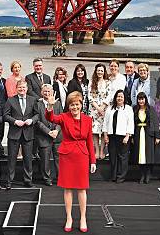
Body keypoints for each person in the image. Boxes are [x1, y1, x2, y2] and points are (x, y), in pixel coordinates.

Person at [44, 91, 96, 233]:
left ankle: (83, 218)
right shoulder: (64, 117)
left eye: (77, 104)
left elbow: (90, 141)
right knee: (67, 188)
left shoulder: (87, 119)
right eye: (72, 105)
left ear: (81, 105)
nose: (74, 107)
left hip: (82, 156)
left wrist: (93, 161)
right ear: (69, 106)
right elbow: (51, 118)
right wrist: (49, 106)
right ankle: (69, 218)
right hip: (67, 156)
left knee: (81, 188)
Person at [4, 79, 39, 189]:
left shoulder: (33, 100)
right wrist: (14, 121)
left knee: (28, 159)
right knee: (12, 159)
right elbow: (5, 115)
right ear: (16, 89)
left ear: (27, 89)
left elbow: (37, 114)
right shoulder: (10, 100)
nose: (22, 89)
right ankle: (9, 181)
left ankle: (28, 180)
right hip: (14, 133)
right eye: (20, 88)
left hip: (28, 133)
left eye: (24, 88)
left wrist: (32, 120)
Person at [103, 90, 134, 183]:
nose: (119, 98)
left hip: (123, 136)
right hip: (112, 135)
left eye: (121, 96)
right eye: (118, 96)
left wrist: (127, 136)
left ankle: (121, 176)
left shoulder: (128, 108)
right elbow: (105, 122)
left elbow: (130, 123)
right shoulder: (110, 108)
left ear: (124, 98)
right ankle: (113, 176)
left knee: (123, 157)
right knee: (113, 156)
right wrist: (105, 135)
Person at [35, 84, 63, 186]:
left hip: (57, 136)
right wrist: (48, 132)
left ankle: (61, 178)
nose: (47, 93)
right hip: (44, 136)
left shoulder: (58, 103)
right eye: (45, 91)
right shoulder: (37, 104)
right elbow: (37, 121)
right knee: (45, 160)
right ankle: (47, 178)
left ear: (52, 92)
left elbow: (61, 118)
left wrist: (56, 130)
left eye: (49, 91)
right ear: (41, 92)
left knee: (59, 159)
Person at [132, 92, 160, 184]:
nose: (141, 101)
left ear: (145, 99)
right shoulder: (135, 109)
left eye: (142, 99)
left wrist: (157, 136)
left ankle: (148, 175)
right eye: (139, 99)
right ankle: (142, 175)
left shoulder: (150, 109)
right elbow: (132, 124)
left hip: (148, 134)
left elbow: (155, 123)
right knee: (140, 155)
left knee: (148, 155)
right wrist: (132, 136)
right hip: (138, 134)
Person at [89, 63, 112, 160]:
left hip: (104, 110)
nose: (99, 72)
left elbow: (109, 96)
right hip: (94, 110)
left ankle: (102, 150)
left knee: (103, 131)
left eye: (101, 70)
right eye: (98, 70)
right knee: (94, 131)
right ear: (95, 71)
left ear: (104, 72)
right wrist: (97, 108)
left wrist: (102, 107)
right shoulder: (91, 82)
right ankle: (96, 151)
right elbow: (89, 96)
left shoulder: (108, 82)